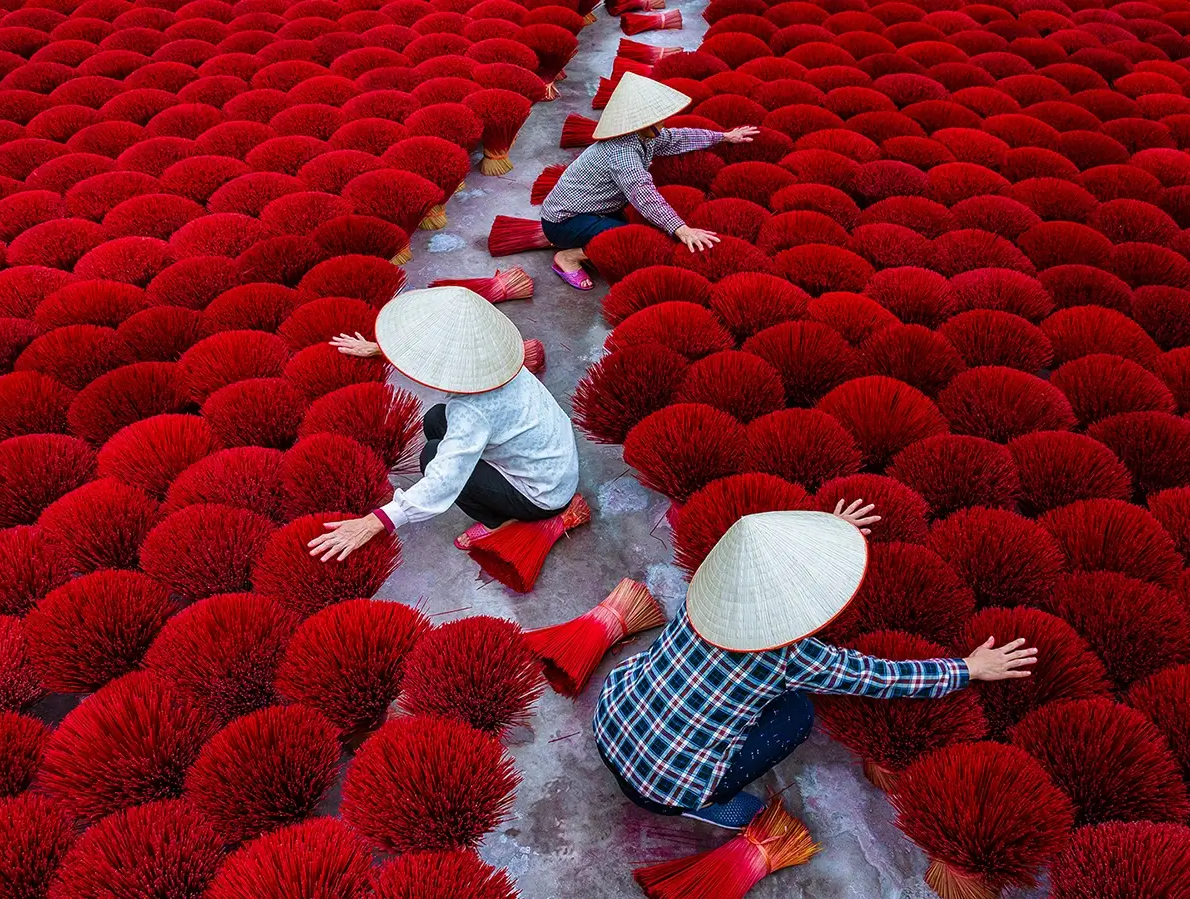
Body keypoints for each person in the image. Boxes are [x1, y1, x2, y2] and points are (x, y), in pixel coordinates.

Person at [594, 506, 1038, 830]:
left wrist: (829, 531)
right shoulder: (791, 656)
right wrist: (968, 667)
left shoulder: (707, 596)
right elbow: (881, 677)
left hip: (611, 723)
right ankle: (704, 802)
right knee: (797, 713)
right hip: (665, 788)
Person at [309, 286, 580, 561]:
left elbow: (443, 482)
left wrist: (372, 523)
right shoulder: (497, 363)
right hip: (554, 461)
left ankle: (497, 522)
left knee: (431, 456)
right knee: (436, 418)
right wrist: (380, 350)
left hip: (541, 493)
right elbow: (437, 352)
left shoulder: (473, 410)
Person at [541, 71, 760, 291]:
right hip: (564, 223)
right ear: (642, 123)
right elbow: (645, 195)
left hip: (595, 211)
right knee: (631, 240)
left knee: (641, 230)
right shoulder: (622, 153)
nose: (663, 124)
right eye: (659, 119)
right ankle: (569, 256)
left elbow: (678, 138)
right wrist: (682, 229)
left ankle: (591, 241)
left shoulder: (643, 135)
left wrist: (723, 136)